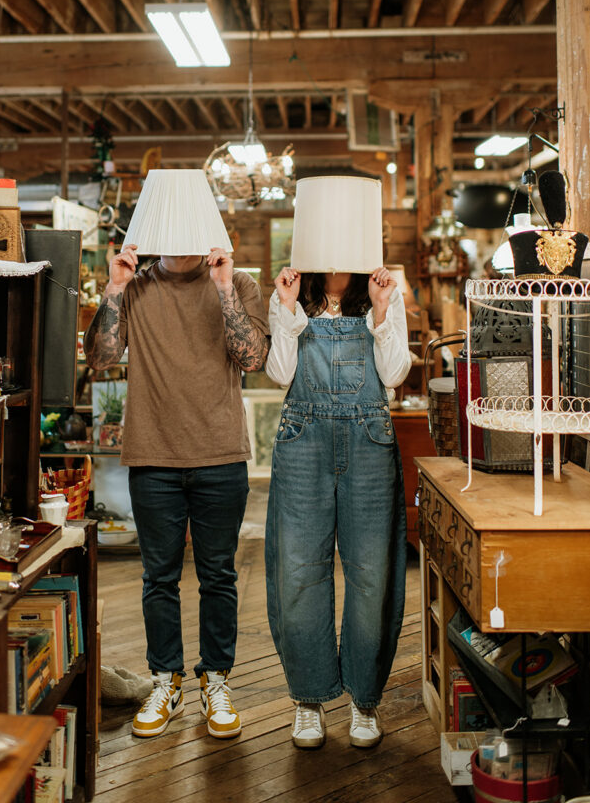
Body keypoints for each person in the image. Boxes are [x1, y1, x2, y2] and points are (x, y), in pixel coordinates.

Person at [84, 239, 269, 740]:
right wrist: (115, 287)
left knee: (218, 577)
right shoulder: (137, 287)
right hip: (152, 457)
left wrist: (225, 287)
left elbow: (251, 357)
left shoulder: (241, 281)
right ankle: (167, 681)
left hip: (220, 455)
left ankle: (216, 679)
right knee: (158, 578)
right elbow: (100, 358)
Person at [265, 263, 412, 749]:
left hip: (370, 437)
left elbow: (394, 373)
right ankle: (308, 701)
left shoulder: (383, 294)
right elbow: (279, 374)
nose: (332, 262)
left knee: (371, 573)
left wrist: (384, 309)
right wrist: (285, 309)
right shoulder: (289, 298)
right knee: (300, 570)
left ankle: (364, 701)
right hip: (302, 436)